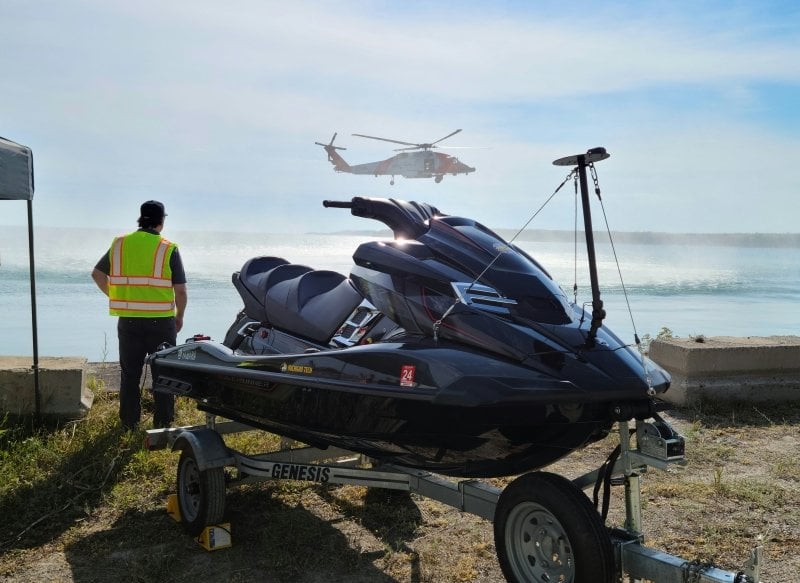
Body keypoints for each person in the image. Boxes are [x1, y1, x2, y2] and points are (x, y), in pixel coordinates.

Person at [91, 200, 187, 430]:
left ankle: (129, 424)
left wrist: (118, 298)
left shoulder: (120, 244)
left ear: (140, 218)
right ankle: (164, 425)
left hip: (129, 321)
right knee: (163, 374)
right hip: (162, 322)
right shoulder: (168, 248)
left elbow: (97, 274)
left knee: (130, 375)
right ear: (161, 221)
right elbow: (181, 290)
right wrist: (179, 316)